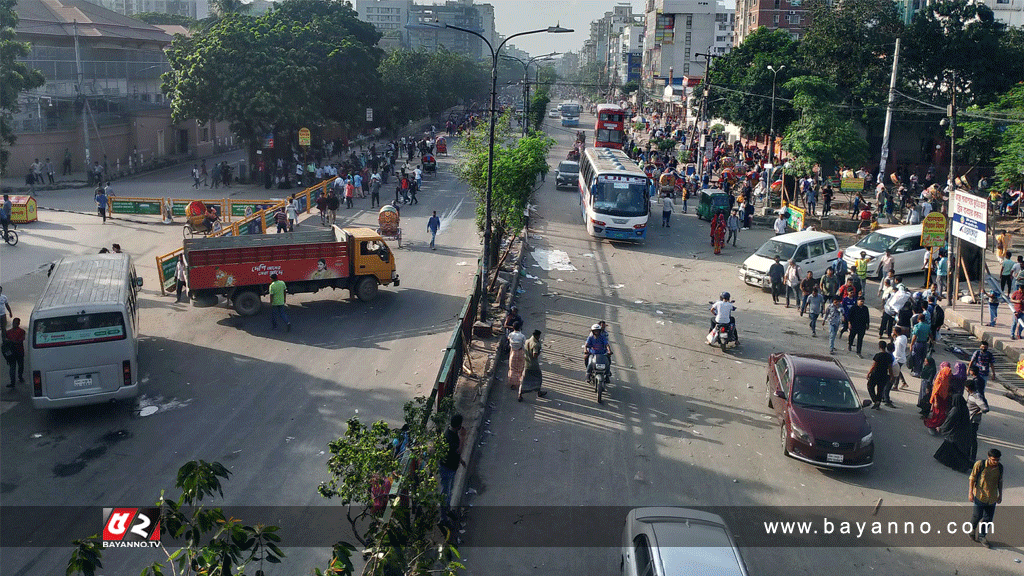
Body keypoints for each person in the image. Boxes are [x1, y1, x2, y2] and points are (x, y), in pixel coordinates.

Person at [933, 386, 975, 473]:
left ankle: (961, 465)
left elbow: (949, 421)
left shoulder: (955, 410)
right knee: (957, 447)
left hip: (957, 433)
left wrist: (940, 428)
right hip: (965, 431)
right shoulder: (964, 408)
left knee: (954, 447)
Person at [968, 449, 1003, 548]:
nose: (995, 462)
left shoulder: (1000, 468)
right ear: (988, 457)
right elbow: (972, 478)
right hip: (980, 496)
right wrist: (970, 493)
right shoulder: (980, 465)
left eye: (997, 460)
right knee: (977, 516)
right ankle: (972, 530)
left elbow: (1000, 481)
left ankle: (982, 536)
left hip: (992, 498)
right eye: (993, 460)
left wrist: (1000, 495)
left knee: (988, 519)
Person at [438, 413, 467, 519]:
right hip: (447, 468)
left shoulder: (451, 433)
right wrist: (463, 437)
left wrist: (461, 461)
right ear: (458, 425)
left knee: (449, 491)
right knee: (446, 492)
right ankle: (443, 518)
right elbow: (458, 450)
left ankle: (448, 510)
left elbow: (454, 454)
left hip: (451, 466)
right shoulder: (450, 437)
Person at [519, 329, 547, 401]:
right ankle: (538, 392)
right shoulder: (535, 344)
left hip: (526, 363)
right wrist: (539, 352)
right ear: (537, 336)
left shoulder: (528, 341)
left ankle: (520, 394)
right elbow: (535, 355)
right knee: (538, 378)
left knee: (524, 379)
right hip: (533, 365)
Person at [866, 340, 895, 410]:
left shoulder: (878, 355)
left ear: (879, 347)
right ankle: (878, 401)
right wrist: (891, 376)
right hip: (884, 374)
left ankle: (875, 400)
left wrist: (869, 373)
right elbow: (890, 367)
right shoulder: (889, 356)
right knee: (880, 389)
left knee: (870, 386)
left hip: (876, 374)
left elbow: (874, 365)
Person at [3, 318, 25, 388]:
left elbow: (5, 341)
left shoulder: (11, 332)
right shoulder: (21, 331)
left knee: (17, 366)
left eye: (16, 323)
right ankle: (16, 379)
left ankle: (17, 379)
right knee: (16, 366)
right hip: (17, 352)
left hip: (16, 352)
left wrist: (9, 341)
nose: (15, 324)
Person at [507, 320, 526, 391]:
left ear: (513, 327)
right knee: (520, 368)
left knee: (513, 368)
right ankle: (520, 382)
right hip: (520, 352)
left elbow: (508, 339)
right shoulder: (522, 336)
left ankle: (513, 383)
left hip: (513, 352)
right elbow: (524, 344)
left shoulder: (511, 334)